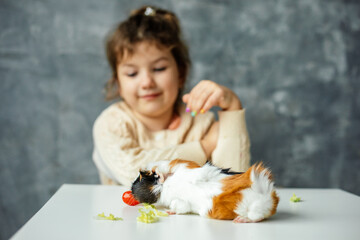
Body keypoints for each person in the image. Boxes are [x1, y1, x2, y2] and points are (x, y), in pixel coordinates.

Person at [92, 6, 250, 186]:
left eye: (159, 69)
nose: (147, 82)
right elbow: (133, 174)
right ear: (118, 84)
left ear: (181, 74)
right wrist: (204, 147)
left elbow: (234, 185)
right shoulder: (111, 124)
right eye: (132, 73)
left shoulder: (200, 122)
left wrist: (232, 107)